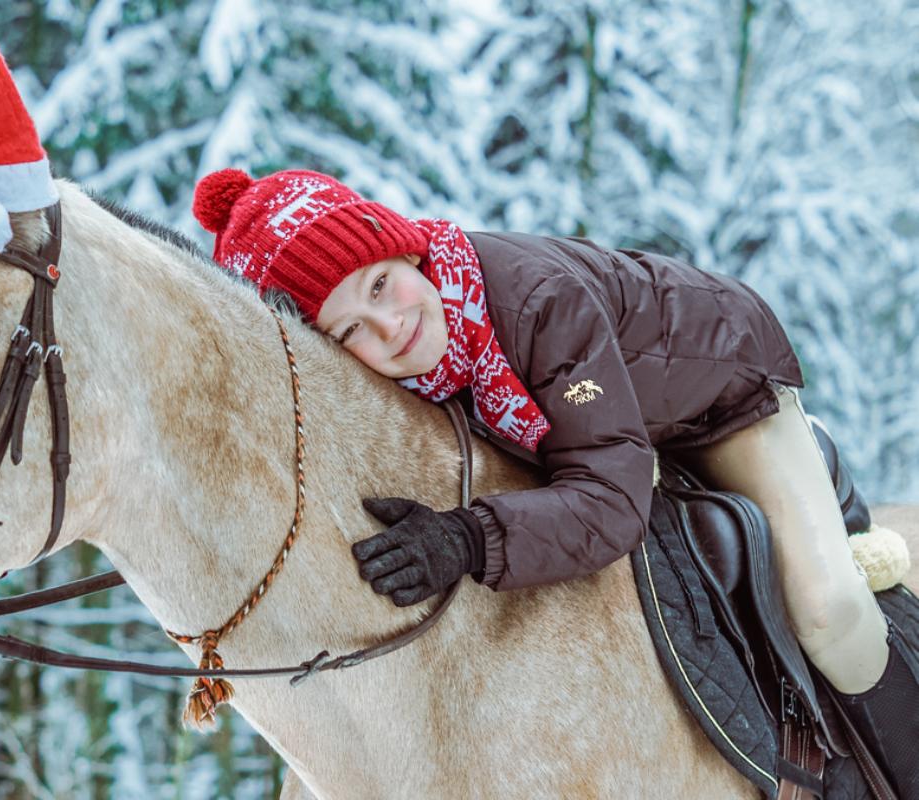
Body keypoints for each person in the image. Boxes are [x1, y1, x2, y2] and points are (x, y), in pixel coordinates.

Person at [190, 167, 918, 795]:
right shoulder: (411, 365)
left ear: (404, 247)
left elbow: (611, 498)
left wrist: (469, 538)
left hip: (722, 394)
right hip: (607, 414)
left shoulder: (539, 304)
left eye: (380, 284)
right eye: (349, 331)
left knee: (830, 615)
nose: (389, 328)